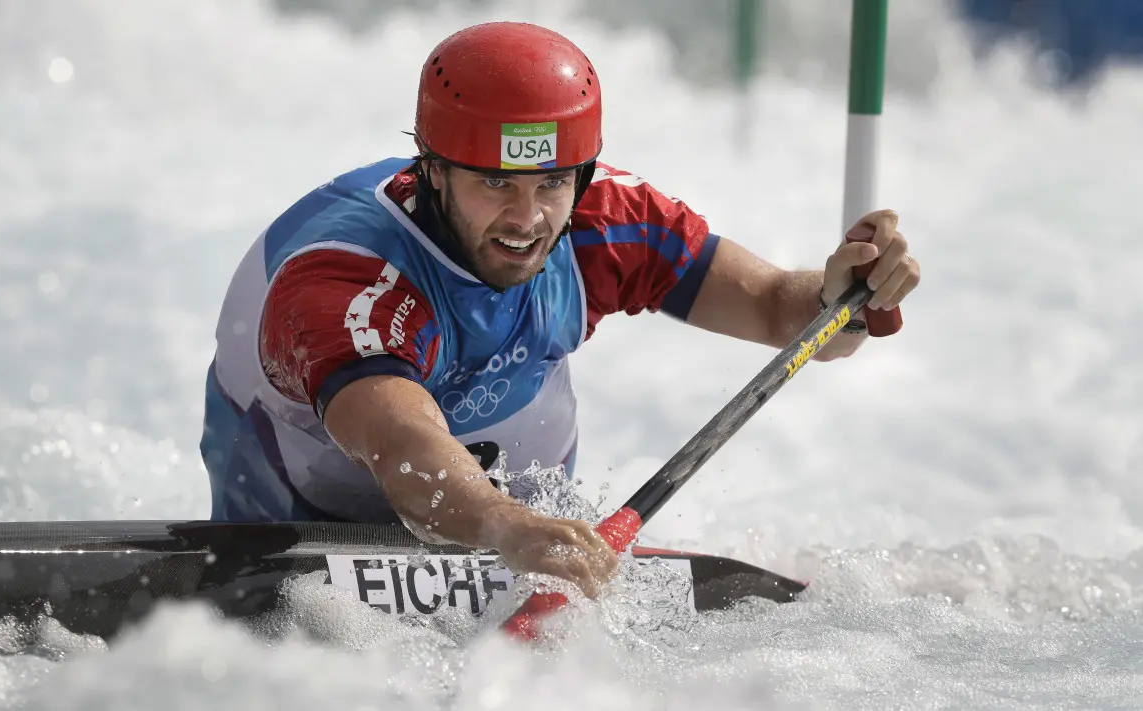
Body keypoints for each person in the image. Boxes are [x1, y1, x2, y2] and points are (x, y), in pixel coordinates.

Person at [199, 21, 921, 601]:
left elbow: (775, 310)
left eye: (551, 182)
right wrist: (502, 524)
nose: (527, 218)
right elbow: (404, 449)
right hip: (295, 539)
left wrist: (839, 299)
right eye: (495, 183)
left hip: (521, 538)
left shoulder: (608, 222)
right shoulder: (344, 280)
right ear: (433, 169)